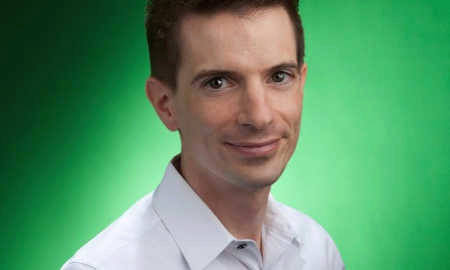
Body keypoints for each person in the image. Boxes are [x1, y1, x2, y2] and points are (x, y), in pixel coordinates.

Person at [61, 0, 345, 269]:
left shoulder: (317, 251)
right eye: (218, 83)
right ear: (165, 105)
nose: (260, 117)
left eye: (279, 76)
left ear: (301, 83)